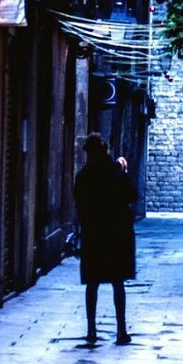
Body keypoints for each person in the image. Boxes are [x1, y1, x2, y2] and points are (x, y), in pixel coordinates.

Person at [73, 133, 136, 345]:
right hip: (117, 235)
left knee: (93, 283)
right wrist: (123, 170)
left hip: (93, 236)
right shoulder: (117, 173)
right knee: (118, 283)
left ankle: (92, 330)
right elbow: (131, 196)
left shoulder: (82, 177)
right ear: (106, 150)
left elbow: (79, 204)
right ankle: (121, 331)